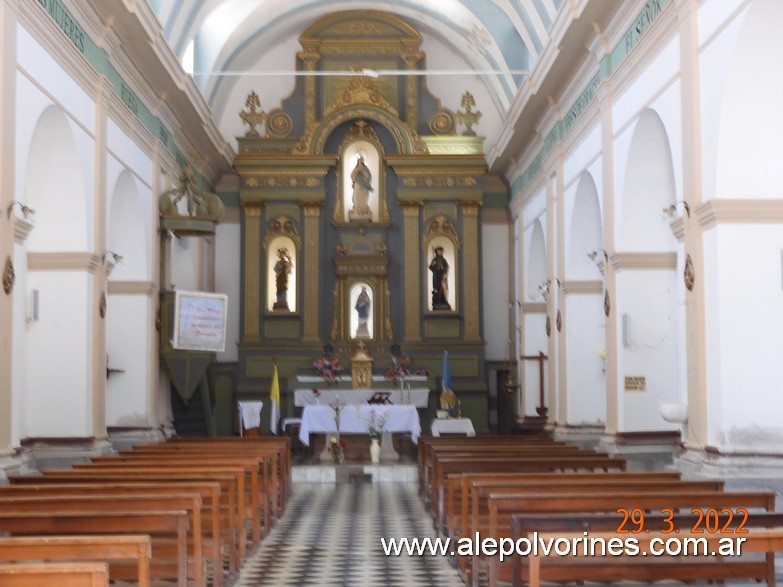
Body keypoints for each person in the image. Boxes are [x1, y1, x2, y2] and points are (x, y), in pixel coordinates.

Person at [349, 155, 373, 220]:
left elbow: (369, 177)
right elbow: (353, 176)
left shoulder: (366, 169)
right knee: (357, 198)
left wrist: (363, 172)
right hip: (358, 186)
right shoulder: (356, 168)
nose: (361, 161)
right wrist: (357, 170)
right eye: (360, 160)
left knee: (363, 199)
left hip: (364, 187)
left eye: (362, 160)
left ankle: (363, 212)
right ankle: (357, 211)